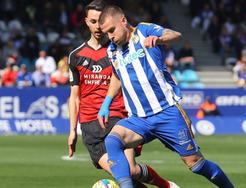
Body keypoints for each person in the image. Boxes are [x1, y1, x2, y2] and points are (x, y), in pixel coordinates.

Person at [97, 5, 234, 188]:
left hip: (167, 112)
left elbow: (175, 35)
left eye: (112, 30)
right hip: (138, 118)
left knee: (196, 165)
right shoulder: (112, 50)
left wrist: (159, 39)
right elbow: (117, 75)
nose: (110, 36)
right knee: (112, 141)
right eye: (106, 33)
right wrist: (106, 102)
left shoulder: (144, 31)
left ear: (123, 20)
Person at [67, 1, 178, 188]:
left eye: (101, 21)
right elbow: (74, 96)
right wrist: (71, 131)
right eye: (93, 21)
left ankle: (167, 186)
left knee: (130, 171)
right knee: (121, 175)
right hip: (89, 125)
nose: (98, 26)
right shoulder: (76, 56)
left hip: (119, 117)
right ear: (86, 21)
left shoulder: (118, 50)